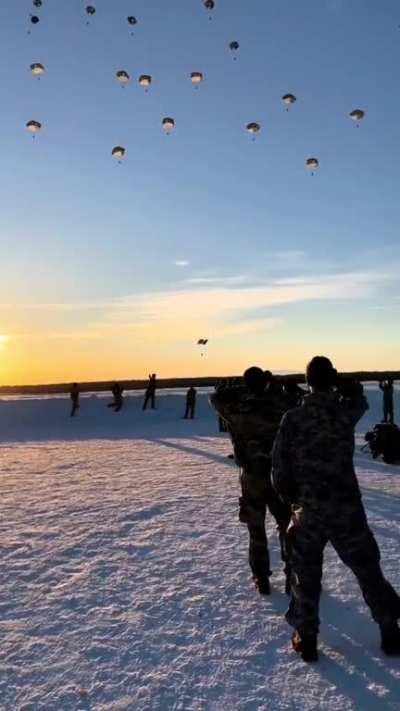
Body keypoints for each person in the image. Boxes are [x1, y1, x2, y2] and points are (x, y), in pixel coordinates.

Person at [272, 356, 400, 662]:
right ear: (332, 379)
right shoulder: (343, 412)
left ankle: (307, 637)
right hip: (346, 508)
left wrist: (293, 500)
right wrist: (345, 384)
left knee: (306, 575)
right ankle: (390, 630)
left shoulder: (293, 418)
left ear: (307, 381)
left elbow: (279, 469)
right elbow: (360, 400)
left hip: (309, 510)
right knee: (367, 569)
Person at [211, 367, 292, 596]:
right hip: (279, 475)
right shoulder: (278, 403)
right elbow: (295, 399)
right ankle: (292, 574)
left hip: (252, 476)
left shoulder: (237, 407)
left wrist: (242, 387)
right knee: (286, 525)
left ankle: (261, 577)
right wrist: (272, 385)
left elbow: (215, 398)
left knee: (256, 529)